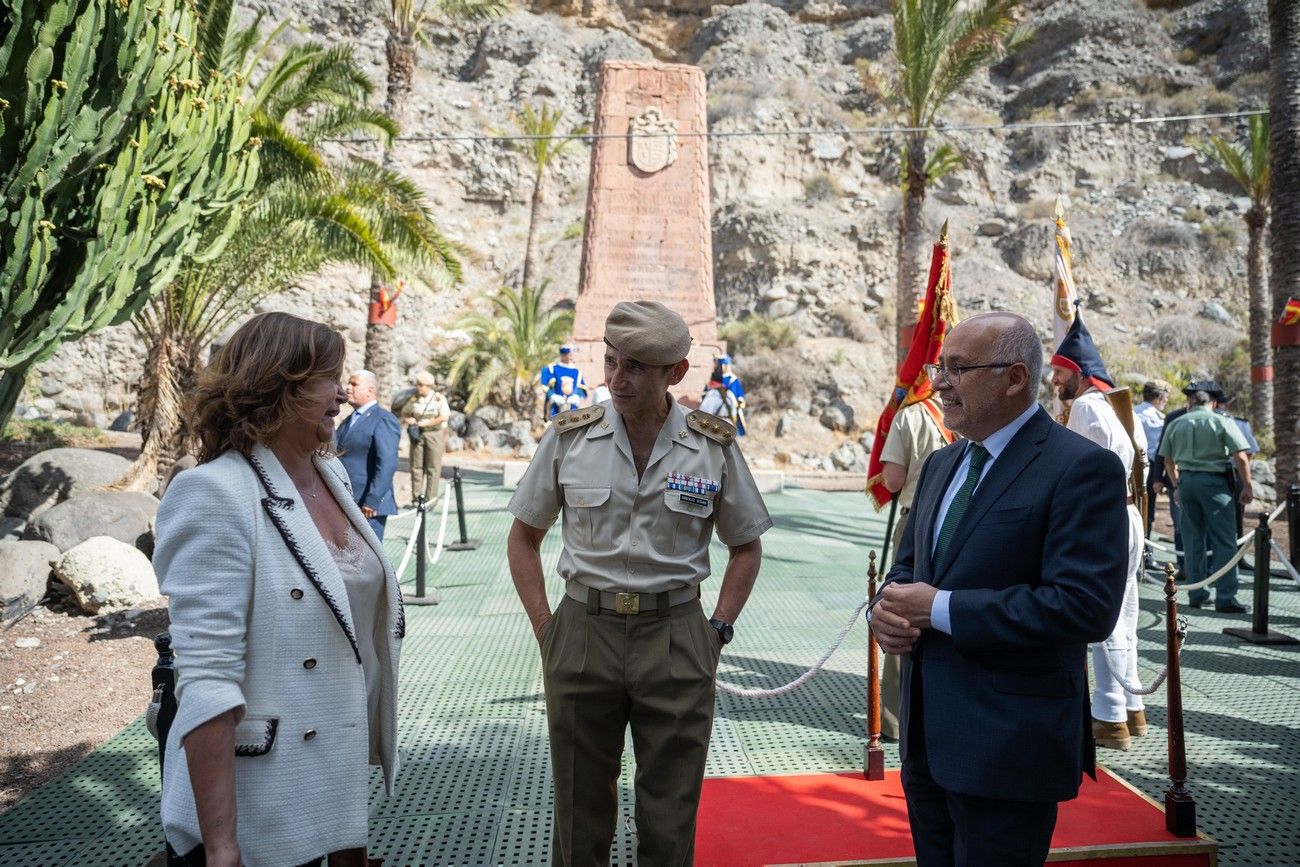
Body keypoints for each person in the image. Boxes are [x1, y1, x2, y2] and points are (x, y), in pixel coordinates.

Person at [506, 300, 772, 866]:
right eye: (611, 362)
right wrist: (546, 628)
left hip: (676, 634)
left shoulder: (711, 444)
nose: (616, 379)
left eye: (635, 367)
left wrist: (716, 630)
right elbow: (522, 537)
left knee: (670, 808)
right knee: (579, 805)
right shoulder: (570, 436)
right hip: (582, 630)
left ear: (675, 373)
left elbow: (746, 546)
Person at [869, 311, 1128, 867]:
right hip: (926, 743)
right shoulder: (941, 464)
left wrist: (938, 609)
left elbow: (1084, 607)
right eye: (941, 367)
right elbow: (906, 573)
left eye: (957, 369)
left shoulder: (1081, 467)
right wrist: (885, 612)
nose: (939, 382)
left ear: (1013, 378)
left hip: (1008, 746)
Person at [153, 312, 403, 867]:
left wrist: (350, 841)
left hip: (331, 781)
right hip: (259, 805)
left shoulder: (330, 475)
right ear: (279, 387)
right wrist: (222, 847)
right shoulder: (214, 493)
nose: (341, 391)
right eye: (327, 378)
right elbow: (208, 679)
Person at [1049, 311, 1148, 752]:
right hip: (1128, 516)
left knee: (1105, 618)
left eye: (1059, 372)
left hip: (1105, 516)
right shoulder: (1116, 406)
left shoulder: (1088, 408)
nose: (1055, 381)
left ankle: (1108, 717)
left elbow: (1084, 471)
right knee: (1124, 617)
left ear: (1078, 372)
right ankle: (1130, 707)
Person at [876, 394, 953, 741]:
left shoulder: (909, 417)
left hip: (915, 523)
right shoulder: (970, 413)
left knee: (900, 613)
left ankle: (894, 719)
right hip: (959, 522)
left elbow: (892, 480)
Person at [1158, 389, 1253, 612]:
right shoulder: (1220, 421)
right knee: (1225, 540)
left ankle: (1197, 594)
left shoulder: (1176, 422)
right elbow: (1240, 455)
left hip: (1187, 482)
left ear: (1190, 403)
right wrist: (1247, 485)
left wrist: (1177, 484)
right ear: (1212, 403)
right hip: (1214, 484)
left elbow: (1167, 459)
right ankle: (1226, 597)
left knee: (1192, 540)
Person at [336, 370, 400, 540]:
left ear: (370, 390)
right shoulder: (350, 419)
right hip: (349, 501)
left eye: (354, 384)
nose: (348, 388)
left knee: (368, 561)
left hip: (367, 506)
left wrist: (372, 500)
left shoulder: (383, 419)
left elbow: (387, 463)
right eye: (348, 383)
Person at [402, 370, 450, 504]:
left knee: (433, 468)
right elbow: (405, 413)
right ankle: (416, 499)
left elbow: (444, 416)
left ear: (429, 386)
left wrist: (428, 423)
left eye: (421, 385)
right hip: (418, 435)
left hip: (434, 434)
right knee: (416, 467)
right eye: (417, 384)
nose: (418, 387)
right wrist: (409, 420)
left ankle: (431, 499)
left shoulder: (439, 398)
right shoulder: (414, 399)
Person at [1134, 380, 1171, 550]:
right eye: (1166, 397)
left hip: (1131, 467)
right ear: (1158, 397)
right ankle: (1145, 550)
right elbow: (1160, 448)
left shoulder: (1132, 411)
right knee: (1146, 511)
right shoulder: (1157, 419)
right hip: (1148, 468)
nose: (1167, 401)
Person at [540, 345, 587, 419]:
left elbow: (581, 388)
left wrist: (576, 396)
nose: (572, 356)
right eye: (570, 354)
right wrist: (553, 396)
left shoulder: (577, 372)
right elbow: (544, 385)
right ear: (563, 355)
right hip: (555, 408)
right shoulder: (552, 368)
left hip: (572, 409)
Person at [716, 355, 747, 435]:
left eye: (723, 365)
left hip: (731, 409)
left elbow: (739, 393)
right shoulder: (717, 378)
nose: (722, 367)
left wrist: (739, 400)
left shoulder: (733, 379)